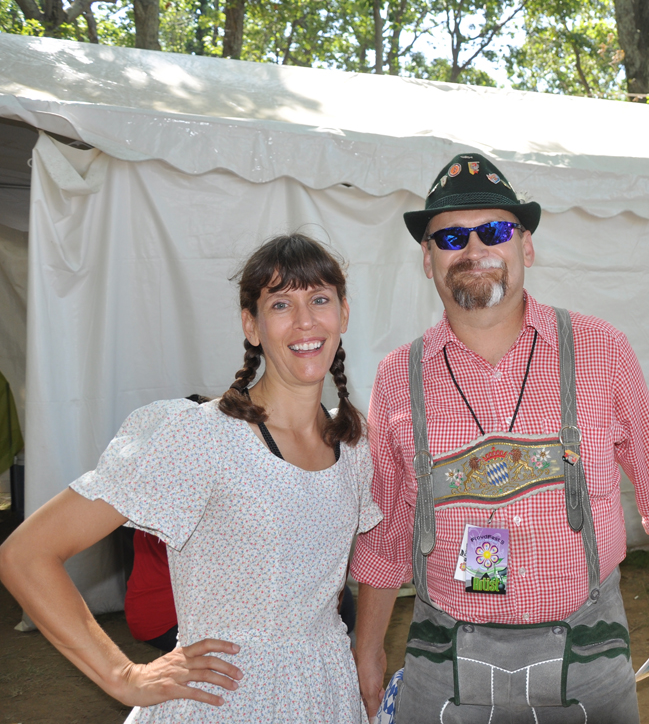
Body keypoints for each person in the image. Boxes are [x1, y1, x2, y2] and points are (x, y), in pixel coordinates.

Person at [351, 153, 649, 722]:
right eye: (449, 238)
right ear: (427, 260)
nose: (473, 249)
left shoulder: (601, 351)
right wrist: (369, 647)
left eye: (495, 230)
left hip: (588, 649)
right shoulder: (399, 377)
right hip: (445, 655)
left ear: (526, 247)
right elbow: (387, 528)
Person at [0, 233, 382, 722]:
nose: (306, 321)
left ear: (343, 314)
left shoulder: (353, 443)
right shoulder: (199, 437)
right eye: (282, 303)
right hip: (224, 702)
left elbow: (378, 551)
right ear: (252, 325)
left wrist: (367, 652)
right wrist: (124, 677)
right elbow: (26, 555)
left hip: (328, 695)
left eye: (320, 299)